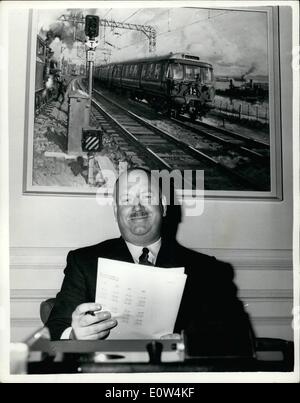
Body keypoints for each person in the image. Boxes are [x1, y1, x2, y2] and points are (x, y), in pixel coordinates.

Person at [46, 168, 254, 355]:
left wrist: (191, 343)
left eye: (147, 196)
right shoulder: (83, 262)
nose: (137, 207)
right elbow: (54, 329)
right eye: (126, 199)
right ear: (115, 211)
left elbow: (239, 337)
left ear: (163, 206)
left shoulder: (208, 270)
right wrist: (74, 335)